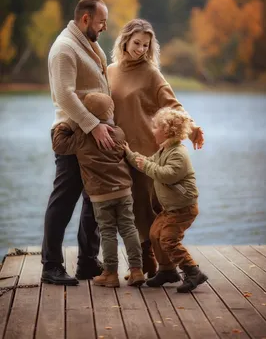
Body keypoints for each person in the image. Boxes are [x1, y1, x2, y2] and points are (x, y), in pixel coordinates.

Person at [107, 19, 204, 279]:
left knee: (151, 209)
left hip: (149, 155)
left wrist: (192, 127)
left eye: (145, 45)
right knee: (131, 211)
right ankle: (147, 263)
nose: (140, 49)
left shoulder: (151, 73)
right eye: (136, 43)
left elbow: (173, 104)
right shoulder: (110, 71)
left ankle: (166, 266)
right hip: (120, 154)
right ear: (125, 40)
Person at [41, 0, 114, 286]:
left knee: (94, 199)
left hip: (93, 134)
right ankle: (51, 266)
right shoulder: (64, 49)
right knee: (63, 200)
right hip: (73, 134)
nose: (104, 27)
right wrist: (94, 125)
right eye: (101, 22)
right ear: (85, 19)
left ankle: (86, 262)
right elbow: (64, 95)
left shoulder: (87, 44)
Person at [52, 92, 145, 288]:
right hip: (123, 191)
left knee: (108, 231)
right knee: (129, 228)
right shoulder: (118, 132)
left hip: (101, 195)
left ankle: (110, 273)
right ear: (110, 111)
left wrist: (68, 123)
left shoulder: (81, 137)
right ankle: (136, 270)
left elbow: (58, 146)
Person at [125, 107, 208, 292]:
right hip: (170, 209)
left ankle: (193, 272)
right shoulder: (164, 150)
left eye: (155, 127)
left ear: (167, 131)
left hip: (183, 208)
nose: (152, 130)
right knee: (155, 234)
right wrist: (129, 153)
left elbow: (167, 175)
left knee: (169, 240)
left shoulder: (178, 153)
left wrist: (146, 165)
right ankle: (167, 270)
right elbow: (147, 162)